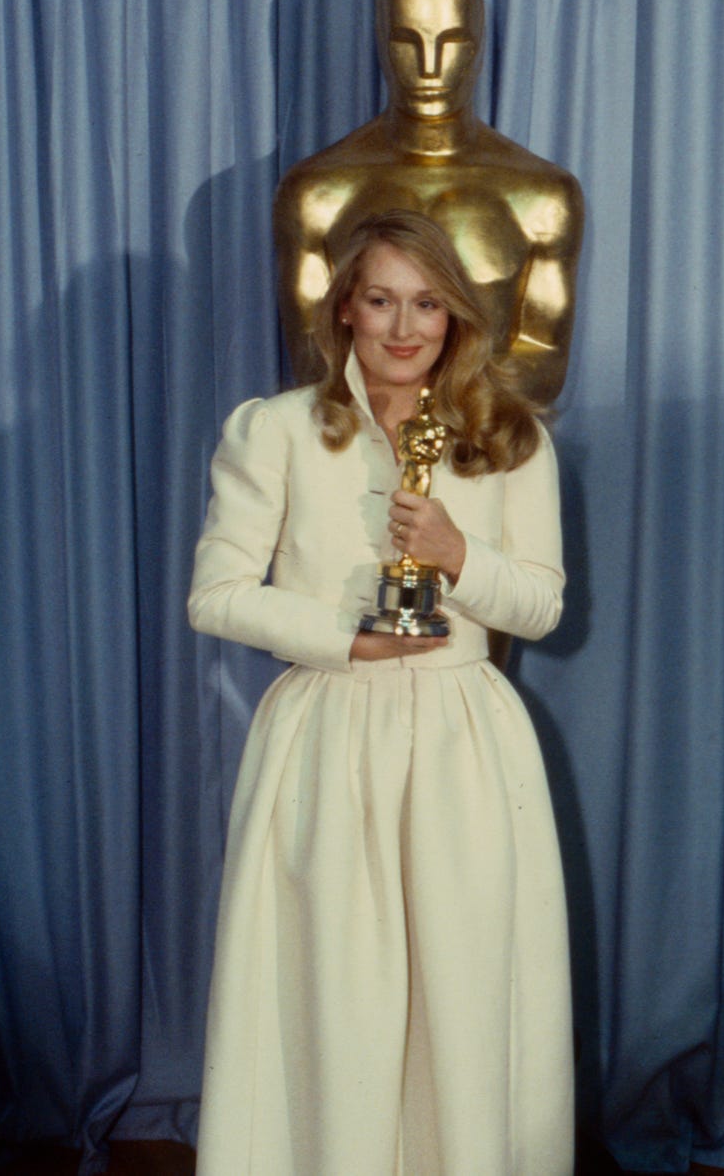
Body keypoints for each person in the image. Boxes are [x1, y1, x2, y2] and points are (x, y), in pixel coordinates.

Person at [189, 210, 574, 1176]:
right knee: (335, 995)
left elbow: (542, 606)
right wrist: (342, 642)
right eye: (381, 301)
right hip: (326, 727)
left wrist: (459, 555)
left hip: (463, 741)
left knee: (466, 990)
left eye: (427, 304)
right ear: (345, 313)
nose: (405, 329)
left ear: (454, 317)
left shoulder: (510, 436)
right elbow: (216, 595)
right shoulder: (273, 429)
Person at [274, 0, 584, 408]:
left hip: (486, 448)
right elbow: (312, 354)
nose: (430, 66)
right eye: (406, 41)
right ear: (381, 43)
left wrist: (443, 439)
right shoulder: (316, 192)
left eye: (453, 41)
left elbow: (541, 355)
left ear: (478, 48)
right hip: (356, 446)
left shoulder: (543, 195)